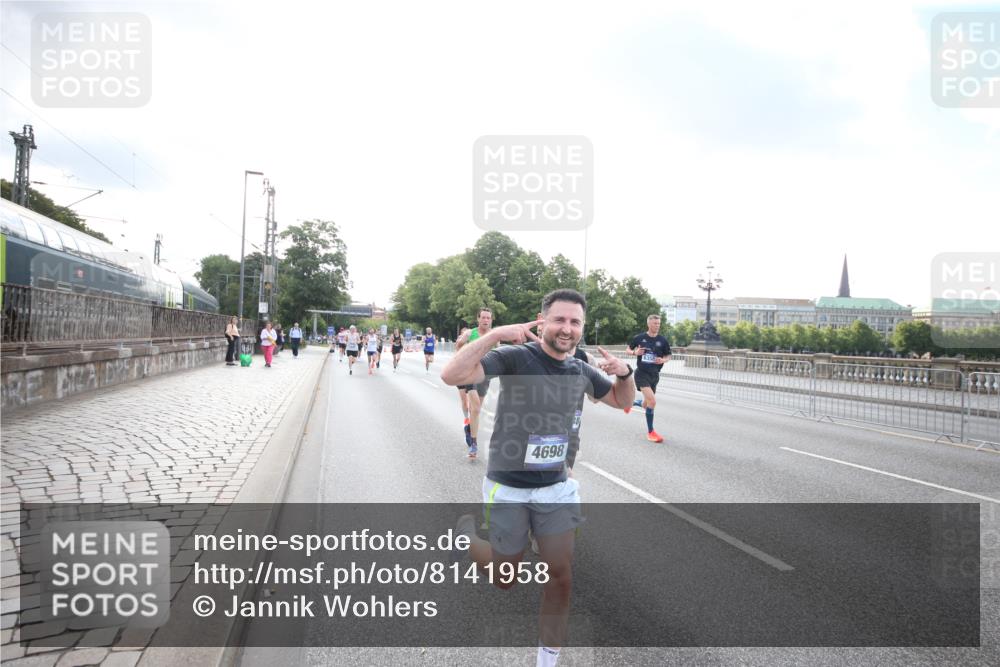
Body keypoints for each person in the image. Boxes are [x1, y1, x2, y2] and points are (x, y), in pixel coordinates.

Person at [441, 289, 635, 667]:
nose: (567, 328)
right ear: (542, 321)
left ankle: (546, 661)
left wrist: (625, 373)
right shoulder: (516, 357)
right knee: (505, 578)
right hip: (509, 486)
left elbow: (623, 401)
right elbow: (452, 375)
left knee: (560, 574)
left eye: (575, 322)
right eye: (559, 319)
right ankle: (467, 538)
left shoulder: (580, 368)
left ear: (582, 327)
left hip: (557, 488)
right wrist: (497, 334)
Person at [625, 314, 672, 443]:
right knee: (652, 402)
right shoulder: (640, 338)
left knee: (646, 404)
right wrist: (635, 352)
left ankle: (632, 403)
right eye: (655, 323)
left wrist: (663, 360)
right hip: (641, 374)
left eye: (659, 323)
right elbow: (627, 349)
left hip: (654, 375)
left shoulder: (662, 340)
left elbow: (668, 355)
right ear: (649, 324)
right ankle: (651, 432)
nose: (657, 326)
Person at [455, 308, 495, 458]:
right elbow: (458, 346)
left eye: (488, 318)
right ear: (478, 319)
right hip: (470, 374)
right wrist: (464, 355)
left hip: (485, 375)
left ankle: (469, 428)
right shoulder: (470, 333)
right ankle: (474, 444)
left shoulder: (494, 335)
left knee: (476, 410)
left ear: (491, 320)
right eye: (483, 317)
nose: (485, 320)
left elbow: (498, 354)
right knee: (476, 408)